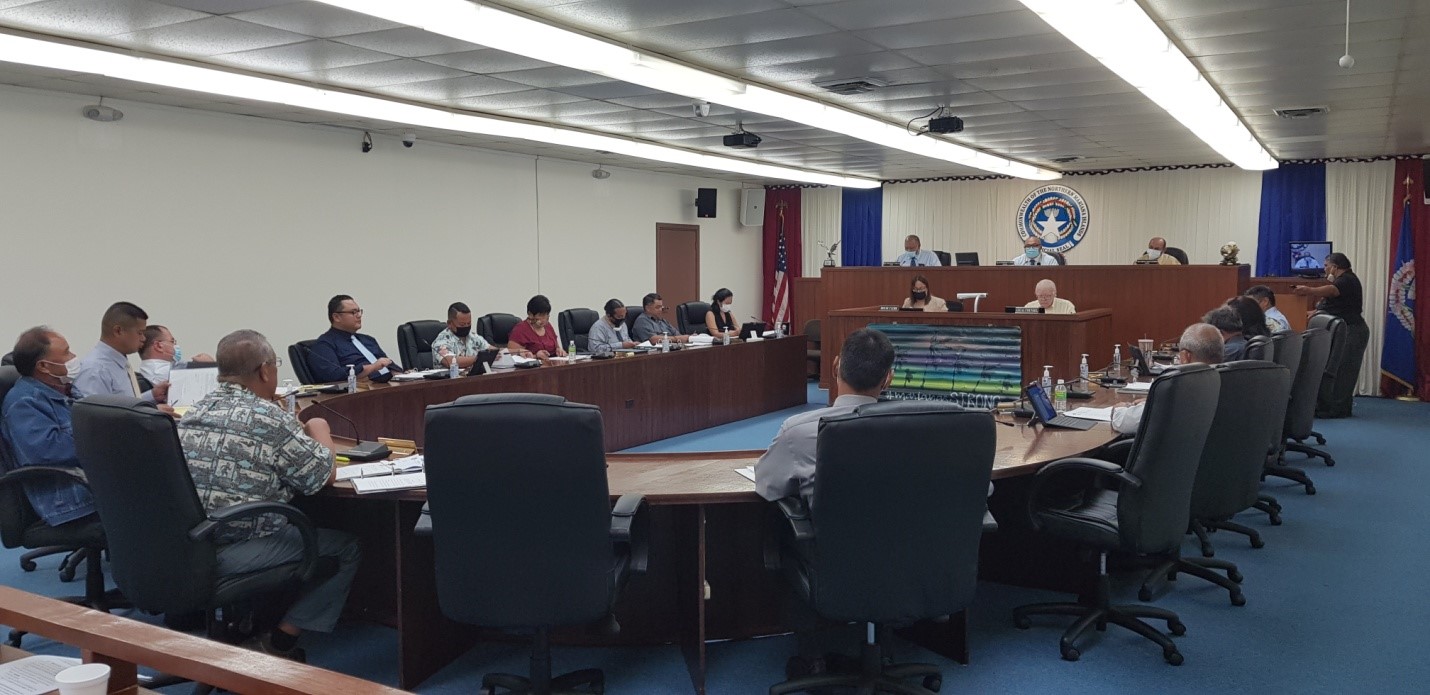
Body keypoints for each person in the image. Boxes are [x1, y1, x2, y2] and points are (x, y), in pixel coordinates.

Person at [177, 330, 361, 660]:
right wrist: (318, 427)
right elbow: (322, 475)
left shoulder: (194, 411)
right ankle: (279, 641)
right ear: (265, 370)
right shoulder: (268, 417)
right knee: (347, 547)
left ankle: (250, 619)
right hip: (232, 547)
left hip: (186, 541)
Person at [755, 328, 894, 505]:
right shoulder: (915, 433)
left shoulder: (796, 432)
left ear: (836, 367)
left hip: (828, 532)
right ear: (888, 379)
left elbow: (766, 484)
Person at [1, 327, 95, 527]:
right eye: (67, 352)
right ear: (44, 366)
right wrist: (105, 440)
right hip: (70, 496)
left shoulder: (65, 390)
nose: (74, 357)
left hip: (91, 482)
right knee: (156, 496)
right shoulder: (24, 402)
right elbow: (48, 451)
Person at [1111, 323, 1223, 434]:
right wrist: (1150, 404)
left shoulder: (1181, 390)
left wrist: (1119, 410)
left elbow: (1124, 423)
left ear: (1186, 356)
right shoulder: (1227, 384)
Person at [1295, 252, 1368, 418]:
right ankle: (1331, 406)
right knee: (1337, 369)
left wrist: (1309, 290)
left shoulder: (1347, 280)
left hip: (1354, 330)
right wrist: (1318, 310)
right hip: (1345, 330)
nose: (1325, 268)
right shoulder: (1342, 281)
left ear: (1335, 267)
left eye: (1327, 266)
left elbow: (1332, 291)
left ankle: (1339, 409)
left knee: (1345, 371)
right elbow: (1336, 305)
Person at [74, 302, 168, 405]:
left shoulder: (118, 362)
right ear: (118, 331)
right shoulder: (95, 370)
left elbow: (122, 405)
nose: (143, 338)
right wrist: (152, 411)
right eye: (140, 333)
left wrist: (152, 395)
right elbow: (95, 416)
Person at [308, 295, 402, 383]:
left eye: (359, 311)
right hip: (363, 392)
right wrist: (373, 367)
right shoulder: (324, 345)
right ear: (336, 317)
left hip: (390, 385)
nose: (359, 315)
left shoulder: (368, 340)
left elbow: (388, 365)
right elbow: (334, 376)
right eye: (353, 312)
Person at [136, 325, 214, 392]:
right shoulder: (162, 371)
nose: (176, 346)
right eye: (172, 341)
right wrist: (209, 365)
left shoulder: (151, 368)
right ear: (159, 346)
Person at [430, 302, 491, 370]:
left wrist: (498, 352)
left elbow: (491, 350)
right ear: (449, 323)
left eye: (469, 323)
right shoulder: (441, 340)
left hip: (473, 378)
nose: (466, 326)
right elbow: (449, 361)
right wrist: (479, 359)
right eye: (462, 324)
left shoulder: (473, 337)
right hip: (450, 379)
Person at [508, 295, 566, 359]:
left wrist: (559, 351)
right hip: (533, 367)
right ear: (530, 314)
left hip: (552, 364)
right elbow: (511, 355)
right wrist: (535, 356)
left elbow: (557, 347)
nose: (544, 319)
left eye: (547, 315)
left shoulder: (548, 326)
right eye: (541, 315)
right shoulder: (520, 330)